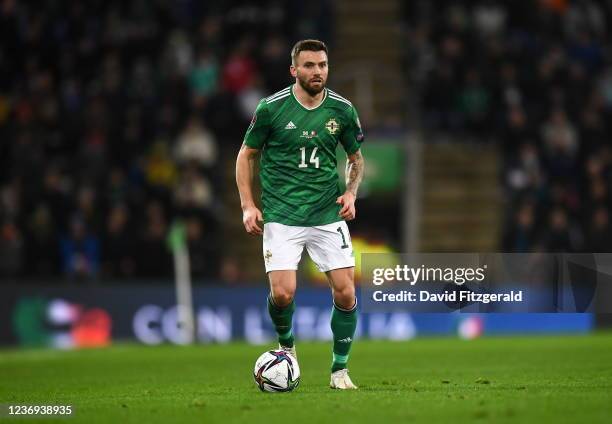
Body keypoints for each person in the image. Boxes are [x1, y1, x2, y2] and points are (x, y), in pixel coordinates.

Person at [236, 39, 365, 389]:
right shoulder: (271, 108)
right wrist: (249, 205)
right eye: (309, 65)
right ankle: (287, 348)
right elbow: (246, 154)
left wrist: (351, 192)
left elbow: (356, 159)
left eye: (322, 65)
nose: (317, 71)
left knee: (346, 293)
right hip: (282, 214)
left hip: (327, 213)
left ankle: (340, 370)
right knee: (283, 294)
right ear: (294, 70)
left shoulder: (342, 109)